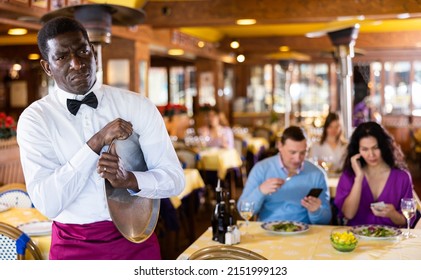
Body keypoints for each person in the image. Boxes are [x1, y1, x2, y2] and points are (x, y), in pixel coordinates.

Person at [16, 17, 185, 260]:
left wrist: (130, 180)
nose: (76, 63)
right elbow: (48, 203)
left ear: (93, 52)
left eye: (82, 51)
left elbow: (175, 180)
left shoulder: (138, 106)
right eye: (62, 57)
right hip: (72, 249)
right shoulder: (35, 119)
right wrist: (96, 142)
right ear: (47, 67)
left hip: (136, 241)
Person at [237, 126, 332, 224]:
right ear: (280, 146)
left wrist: (316, 211)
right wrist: (261, 191)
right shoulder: (261, 169)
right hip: (267, 232)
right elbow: (242, 210)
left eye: (303, 153)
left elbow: (325, 220)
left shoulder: (317, 174)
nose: (297, 158)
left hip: (304, 233)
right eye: (292, 152)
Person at [334, 121, 413, 227]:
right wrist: (359, 178)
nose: (371, 154)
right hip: (356, 239)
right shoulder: (349, 176)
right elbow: (348, 214)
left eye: (375, 148)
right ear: (357, 151)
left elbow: (407, 221)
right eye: (365, 149)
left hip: (390, 241)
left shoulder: (402, 177)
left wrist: (393, 214)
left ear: (384, 147)